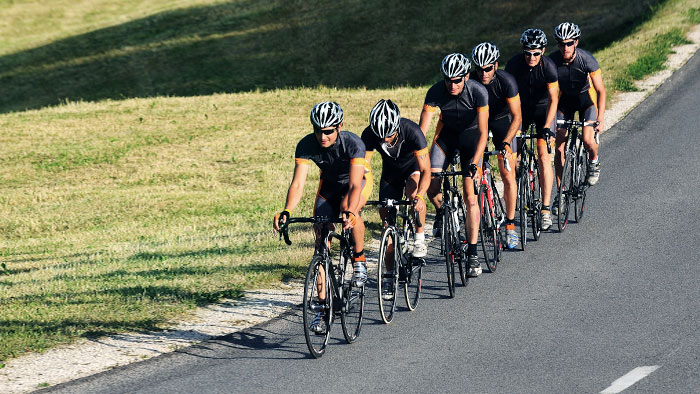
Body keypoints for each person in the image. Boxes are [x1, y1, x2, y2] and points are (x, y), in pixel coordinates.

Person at [273, 101, 372, 333]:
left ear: (339, 127)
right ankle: (322, 308)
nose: (323, 136)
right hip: (328, 187)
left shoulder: (353, 143)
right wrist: (287, 210)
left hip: (355, 182)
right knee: (320, 242)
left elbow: (356, 184)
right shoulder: (306, 144)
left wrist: (350, 212)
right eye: (318, 130)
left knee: (350, 208)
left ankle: (359, 260)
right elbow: (298, 183)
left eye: (328, 131)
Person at [419, 53, 489, 277]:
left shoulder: (478, 92)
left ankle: (473, 253)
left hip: (471, 140)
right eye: (448, 79)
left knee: (470, 197)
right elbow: (422, 132)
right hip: (447, 139)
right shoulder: (435, 91)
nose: (452, 84)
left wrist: (476, 164)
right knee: (431, 183)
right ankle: (442, 212)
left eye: (457, 80)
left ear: (467, 77)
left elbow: (483, 132)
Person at [362, 99, 431, 258]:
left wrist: (420, 196)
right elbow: (363, 167)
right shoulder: (369, 134)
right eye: (381, 136)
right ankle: (389, 275)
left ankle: (419, 238)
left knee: (413, 194)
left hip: (412, 168)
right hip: (390, 172)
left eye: (389, 135)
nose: (385, 139)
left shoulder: (412, 131)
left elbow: (426, 170)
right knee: (385, 214)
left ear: (396, 128)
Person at [505, 28, 559, 231]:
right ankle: (522, 180)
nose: (532, 57)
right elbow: (506, 96)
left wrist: (547, 127)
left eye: (536, 53)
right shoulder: (513, 65)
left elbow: (554, 99)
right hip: (521, 112)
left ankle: (545, 209)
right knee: (513, 156)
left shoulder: (549, 67)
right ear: (522, 51)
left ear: (543, 51)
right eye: (528, 53)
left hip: (543, 110)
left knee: (544, 156)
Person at [471, 42, 522, 249]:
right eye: (479, 68)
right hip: (478, 123)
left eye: (488, 68)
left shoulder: (506, 81)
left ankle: (510, 226)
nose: (483, 73)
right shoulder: (470, 81)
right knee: (474, 169)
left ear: (496, 65)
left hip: (503, 121)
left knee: (507, 172)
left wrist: (507, 143)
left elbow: (517, 116)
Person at [550, 22, 606, 189]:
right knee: (559, 146)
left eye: (569, 43)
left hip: (585, 101)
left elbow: (601, 91)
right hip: (565, 101)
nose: (565, 47)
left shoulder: (586, 59)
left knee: (588, 140)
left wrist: (600, 119)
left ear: (576, 42)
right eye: (561, 43)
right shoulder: (552, 61)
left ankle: (593, 161)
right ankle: (560, 193)